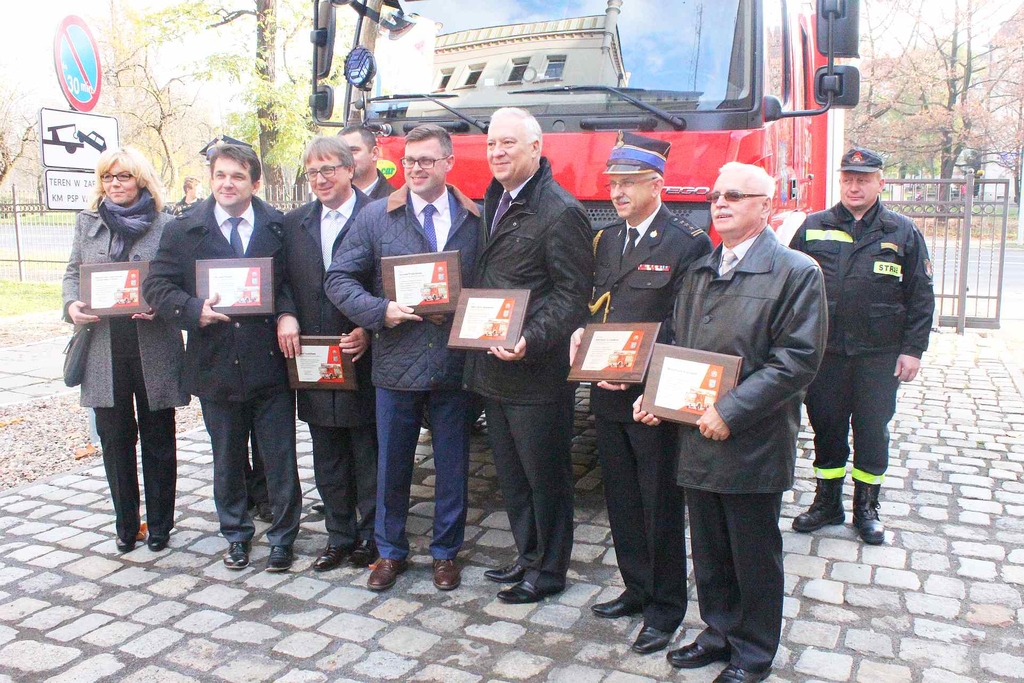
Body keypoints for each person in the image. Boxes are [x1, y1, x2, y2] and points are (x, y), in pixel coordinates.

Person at [634, 162, 826, 683]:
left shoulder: (796, 271)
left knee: (752, 551)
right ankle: (718, 631)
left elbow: (797, 359)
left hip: (752, 439)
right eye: (716, 195)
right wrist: (656, 395)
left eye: (736, 196)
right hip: (696, 435)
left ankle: (754, 652)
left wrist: (731, 410)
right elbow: (674, 340)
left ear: (765, 206)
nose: (721, 203)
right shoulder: (700, 270)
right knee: (711, 545)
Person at [570, 132, 711, 653]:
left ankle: (665, 607)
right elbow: (599, 305)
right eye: (613, 183)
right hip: (607, 390)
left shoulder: (686, 242)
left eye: (628, 183)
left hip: (651, 396)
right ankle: (635, 588)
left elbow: (686, 324)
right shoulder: (607, 240)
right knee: (622, 498)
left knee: (659, 503)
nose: (617, 193)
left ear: (658, 184)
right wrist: (583, 335)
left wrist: (643, 374)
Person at [325, 124, 480, 592]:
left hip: (454, 363)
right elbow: (338, 279)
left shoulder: (476, 218)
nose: (415, 168)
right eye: (410, 160)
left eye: (427, 160)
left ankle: (445, 553)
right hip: (395, 364)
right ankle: (390, 553)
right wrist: (380, 312)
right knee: (392, 464)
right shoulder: (375, 218)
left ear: (448, 163)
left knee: (453, 465)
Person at [143, 143, 302, 572]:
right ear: (211, 180)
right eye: (220, 176)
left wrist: (287, 313)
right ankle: (235, 534)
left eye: (237, 176)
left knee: (280, 457)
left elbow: (289, 282)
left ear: (255, 181)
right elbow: (157, 287)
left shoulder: (278, 226)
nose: (227, 184)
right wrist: (195, 310)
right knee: (227, 458)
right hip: (215, 363)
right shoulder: (183, 229)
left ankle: (284, 538)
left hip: (269, 360)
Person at [463, 107, 594, 604]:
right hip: (492, 367)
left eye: (508, 144)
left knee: (546, 478)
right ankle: (527, 555)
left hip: (535, 371)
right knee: (513, 476)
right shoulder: (495, 197)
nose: (496, 152)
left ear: (536, 149)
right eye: (492, 143)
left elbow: (571, 296)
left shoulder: (561, 212)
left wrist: (531, 339)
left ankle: (550, 570)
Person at [789, 147, 934, 545]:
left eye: (863, 179)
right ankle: (827, 503)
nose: (854, 186)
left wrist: (913, 350)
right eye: (848, 179)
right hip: (826, 353)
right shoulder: (813, 226)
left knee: (872, 430)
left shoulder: (902, 231)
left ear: (880, 183)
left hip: (879, 354)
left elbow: (920, 296)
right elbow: (792, 290)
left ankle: (866, 507)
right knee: (827, 428)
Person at [62, 146, 188, 553]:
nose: (115, 184)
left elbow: (182, 281)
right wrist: (71, 305)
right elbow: (71, 272)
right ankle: (126, 523)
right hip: (104, 349)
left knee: (158, 438)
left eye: (123, 177)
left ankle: (161, 525)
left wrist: (162, 304)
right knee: (115, 440)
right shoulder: (87, 224)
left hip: (152, 346)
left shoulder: (168, 226)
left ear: (141, 180)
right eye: (108, 178)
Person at [278, 136, 379, 571]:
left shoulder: (376, 216)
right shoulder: (295, 222)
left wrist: (369, 327)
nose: (319, 179)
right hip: (313, 355)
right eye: (312, 172)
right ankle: (339, 535)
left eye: (328, 170)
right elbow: (281, 280)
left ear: (349, 170)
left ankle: (374, 535)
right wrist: (285, 315)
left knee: (367, 449)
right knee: (327, 451)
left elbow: (387, 279)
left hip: (361, 352)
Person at [340, 126, 396, 201]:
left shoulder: (396, 204)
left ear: (374, 153)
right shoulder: (327, 199)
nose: (345, 158)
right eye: (340, 152)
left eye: (353, 151)